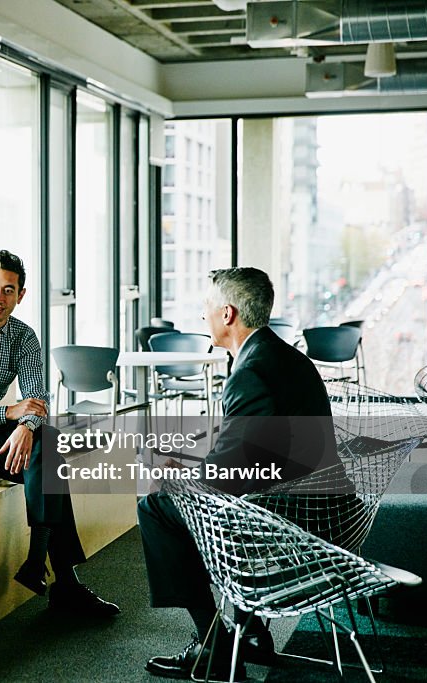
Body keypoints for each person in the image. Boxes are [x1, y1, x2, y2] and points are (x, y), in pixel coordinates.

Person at [138, 267, 339, 681]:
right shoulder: (284, 358)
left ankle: (212, 645)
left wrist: (175, 478)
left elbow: (229, 475)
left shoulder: (250, 371)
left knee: (155, 506)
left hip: (293, 516)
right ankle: (248, 630)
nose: (203, 315)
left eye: (207, 307)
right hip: (324, 505)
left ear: (227, 314)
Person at [0, 250, 119, 617]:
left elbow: (37, 398)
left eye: (8, 291)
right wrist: (10, 413)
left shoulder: (24, 337)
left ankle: (41, 567)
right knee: (50, 459)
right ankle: (62, 580)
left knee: (49, 445)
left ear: (21, 295)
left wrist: (26, 427)